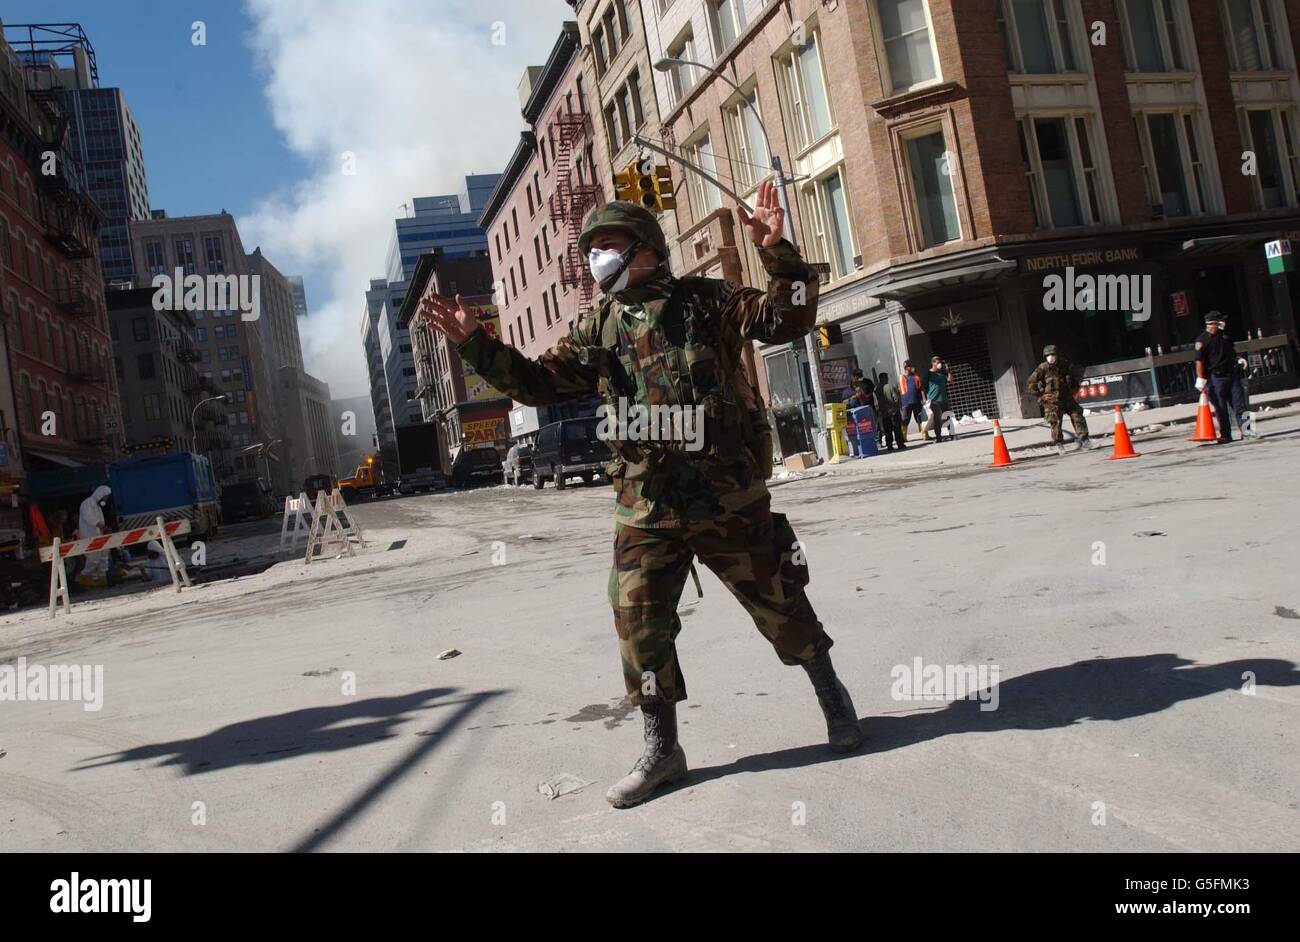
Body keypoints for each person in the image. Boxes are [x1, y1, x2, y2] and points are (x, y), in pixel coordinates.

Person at [421, 182, 862, 809]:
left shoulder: (707, 301)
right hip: (646, 506)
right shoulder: (600, 326)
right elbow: (540, 382)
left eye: (610, 245)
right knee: (638, 625)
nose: (599, 257)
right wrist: (475, 343)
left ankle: (831, 696)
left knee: (781, 606)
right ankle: (662, 747)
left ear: (647, 249)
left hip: (726, 495)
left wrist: (778, 254)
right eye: (592, 247)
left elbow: (786, 319)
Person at [1195, 311, 1255, 443]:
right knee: (1221, 408)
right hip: (1215, 378)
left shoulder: (1225, 336)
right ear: (1213, 323)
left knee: (1240, 405)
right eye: (1220, 321)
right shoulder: (1202, 340)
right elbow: (1199, 361)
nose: (1223, 323)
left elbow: (1232, 353)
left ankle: (1248, 431)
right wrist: (1201, 379)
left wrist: (1238, 359)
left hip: (1232, 375)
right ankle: (1225, 435)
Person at [1027, 345, 1095, 453]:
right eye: (1048, 355)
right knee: (1056, 422)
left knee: (1077, 415)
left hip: (1067, 397)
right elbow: (1031, 383)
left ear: (1057, 355)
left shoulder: (1065, 365)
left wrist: (1075, 389)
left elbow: (1075, 376)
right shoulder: (1042, 368)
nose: (1051, 357)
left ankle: (1085, 440)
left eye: (1052, 354)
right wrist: (1041, 395)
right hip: (1052, 401)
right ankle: (1059, 444)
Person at [76, 486, 114, 586]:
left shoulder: (97, 506)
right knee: (93, 558)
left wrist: (104, 529)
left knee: (103, 556)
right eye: (105, 497)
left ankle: (102, 578)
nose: (105, 499)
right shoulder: (88, 503)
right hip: (90, 536)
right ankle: (84, 577)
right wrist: (102, 526)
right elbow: (89, 517)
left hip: (99, 536)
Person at [923, 355, 952, 443]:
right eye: (937, 362)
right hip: (933, 400)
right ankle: (938, 436)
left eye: (940, 362)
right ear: (933, 363)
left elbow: (950, 381)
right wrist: (924, 398)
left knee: (947, 416)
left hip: (943, 399)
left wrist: (948, 371)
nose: (939, 364)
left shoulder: (942, 373)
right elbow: (922, 387)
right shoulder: (928, 373)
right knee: (937, 418)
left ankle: (952, 434)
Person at [898, 361, 927, 441]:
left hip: (916, 401)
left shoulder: (916, 377)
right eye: (911, 366)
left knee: (920, 418)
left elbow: (921, 389)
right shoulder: (901, 378)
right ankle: (903, 438)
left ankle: (925, 435)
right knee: (904, 420)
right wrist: (899, 403)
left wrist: (924, 398)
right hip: (905, 403)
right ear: (907, 368)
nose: (912, 368)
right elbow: (899, 391)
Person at [874, 372, 904, 451]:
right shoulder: (890, 386)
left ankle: (889, 445)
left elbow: (876, 403)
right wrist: (898, 407)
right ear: (885, 378)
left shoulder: (876, 389)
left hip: (884, 413)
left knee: (887, 430)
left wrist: (879, 412)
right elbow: (896, 398)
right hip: (893, 411)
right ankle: (900, 444)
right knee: (897, 428)